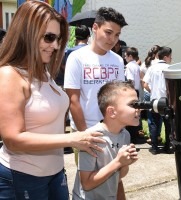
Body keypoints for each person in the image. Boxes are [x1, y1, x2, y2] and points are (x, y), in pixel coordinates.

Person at [0, 1, 105, 199]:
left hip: (55, 175)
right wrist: (72, 138)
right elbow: (12, 139)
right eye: (49, 38)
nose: (56, 46)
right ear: (27, 34)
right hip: (22, 179)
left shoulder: (44, 72)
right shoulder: (9, 75)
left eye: (58, 39)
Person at [64, 7, 127, 158]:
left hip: (112, 129)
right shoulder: (77, 57)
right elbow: (73, 100)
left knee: (115, 176)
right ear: (95, 27)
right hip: (85, 130)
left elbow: (119, 96)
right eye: (108, 32)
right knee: (88, 179)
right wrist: (85, 134)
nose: (112, 39)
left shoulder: (117, 60)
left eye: (117, 35)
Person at [73, 81, 139, 200]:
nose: (139, 108)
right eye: (133, 104)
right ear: (112, 112)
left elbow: (118, 178)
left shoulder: (125, 135)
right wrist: (118, 162)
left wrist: (124, 164)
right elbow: (87, 184)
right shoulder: (92, 137)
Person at [143, 46, 173, 155]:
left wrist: (153, 92)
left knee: (154, 123)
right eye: (170, 56)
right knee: (168, 124)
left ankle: (155, 148)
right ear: (165, 57)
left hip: (154, 100)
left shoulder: (152, 68)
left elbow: (145, 84)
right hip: (166, 101)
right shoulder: (169, 68)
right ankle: (168, 147)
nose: (171, 58)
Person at [140, 45, 160, 143]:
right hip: (157, 92)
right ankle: (158, 136)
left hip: (147, 92)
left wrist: (148, 89)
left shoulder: (144, 64)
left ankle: (152, 137)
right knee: (159, 115)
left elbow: (142, 80)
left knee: (150, 116)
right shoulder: (158, 63)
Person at [124, 47, 143, 143]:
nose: (124, 57)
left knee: (130, 113)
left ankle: (131, 137)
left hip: (131, 90)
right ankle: (136, 135)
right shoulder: (137, 66)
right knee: (136, 113)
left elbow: (130, 80)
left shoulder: (128, 66)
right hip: (137, 91)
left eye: (126, 55)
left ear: (130, 56)